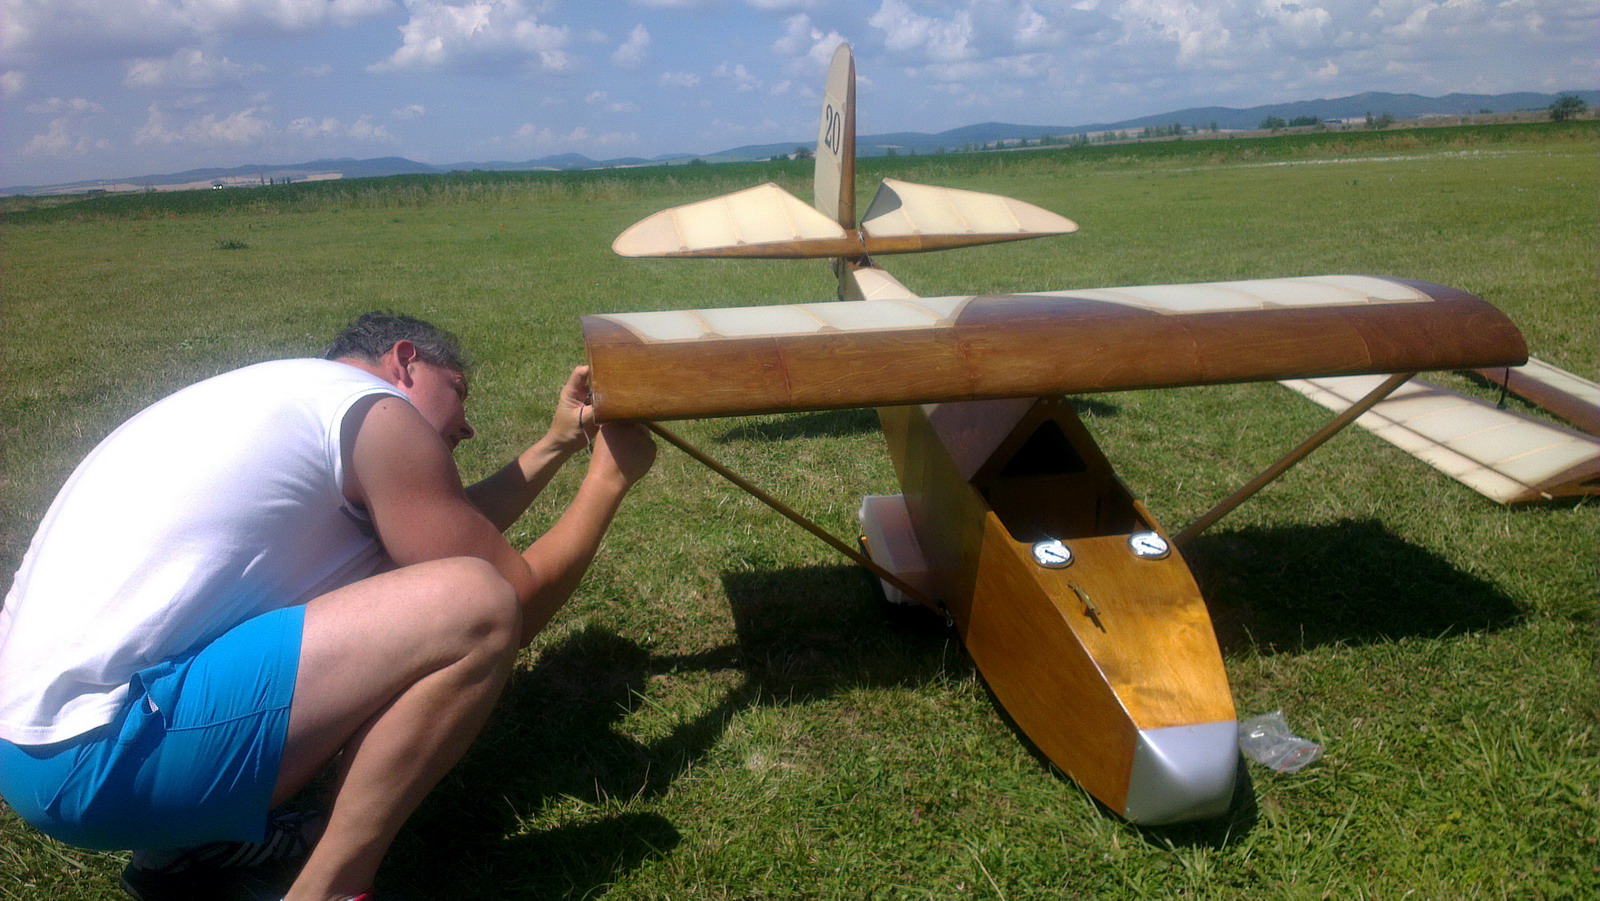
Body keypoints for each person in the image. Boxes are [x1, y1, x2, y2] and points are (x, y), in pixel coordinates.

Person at [0, 312, 656, 900]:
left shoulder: (293, 400)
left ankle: (185, 847)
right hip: (100, 759)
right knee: (478, 605)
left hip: (33, 747)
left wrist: (554, 444)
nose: (467, 424)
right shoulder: (377, 412)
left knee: (415, 589)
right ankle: (330, 888)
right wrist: (607, 479)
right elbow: (510, 601)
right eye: (458, 391)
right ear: (405, 362)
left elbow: (442, 531)